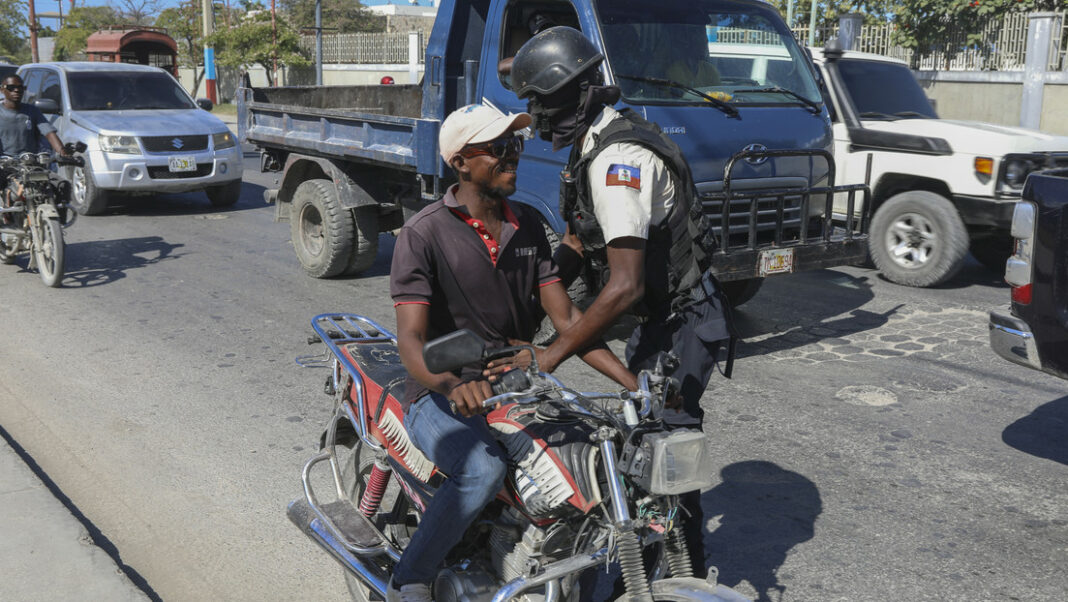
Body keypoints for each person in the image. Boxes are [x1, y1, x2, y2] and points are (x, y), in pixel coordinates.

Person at [386, 103, 637, 602]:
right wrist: (453, 385)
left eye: (515, 146)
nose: (512, 157)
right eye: (498, 149)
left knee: (591, 456)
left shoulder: (525, 226)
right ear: (460, 162)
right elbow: (411, 341)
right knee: (482, 467)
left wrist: (637, 387)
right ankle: (408, 581)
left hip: (514, 384)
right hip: (439, 390)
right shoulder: (424, 234)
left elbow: (568, 323)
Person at [510, 26, 735, 579]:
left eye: (541, 101)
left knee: (666, 447)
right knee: (640, 437)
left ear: (577, 94)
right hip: (657, 318)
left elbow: (625, 285)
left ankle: (687, 575)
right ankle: (646, 560)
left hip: (682, 321)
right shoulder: (592, 143)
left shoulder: (618, 163)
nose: (535, 116)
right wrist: (527, 297)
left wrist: (551, 354)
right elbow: (573, 242)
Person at [1, 74, 70, 223]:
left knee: (62, 185)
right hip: (5, 165)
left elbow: (49, 133)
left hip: (31, 164)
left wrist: (63, 153)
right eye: (11, 88)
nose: (16, 91)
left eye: (20, 88)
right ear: (2, 90)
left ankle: (57, 227)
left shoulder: (32, 111)